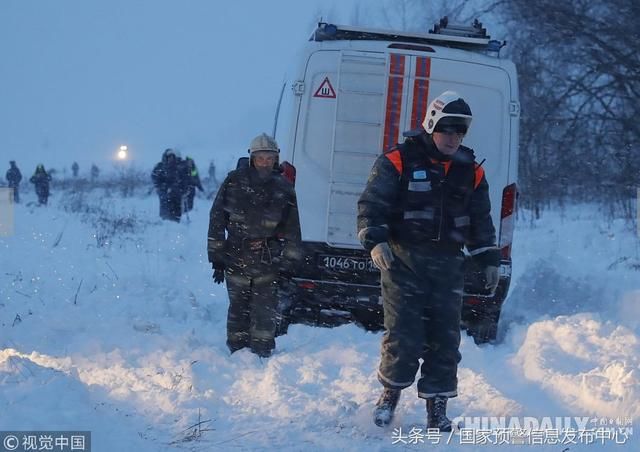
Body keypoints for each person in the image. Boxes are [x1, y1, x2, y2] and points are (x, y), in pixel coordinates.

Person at [357, 91, 500, 431]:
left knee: (445, 340)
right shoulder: (397, 161)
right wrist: (375, 242)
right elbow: (371, 205)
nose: (453, 138)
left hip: (449, 266)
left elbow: (481, 220)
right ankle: (389, 396)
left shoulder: (471, 171)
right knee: (403, 335)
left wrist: (489, 257)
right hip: (402, 262)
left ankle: (438, 412)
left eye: (460, 132)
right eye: (447, 129)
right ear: (432, 125)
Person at [207, 133, 302, 358]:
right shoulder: (234, 181)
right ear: (252, 158)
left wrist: (290, 262)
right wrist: (216, 258)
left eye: (270, 158)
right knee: (238, 307)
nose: (265, 162)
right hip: (235, 255)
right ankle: (237, 350)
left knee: (264, 308)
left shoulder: (283, 187)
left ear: (276, 159)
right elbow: (217, 218)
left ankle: (262, 351)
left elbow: (292, 227)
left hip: (268, 258)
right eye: (261, 158)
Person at [151, 148, 184, 222]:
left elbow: (183, 178)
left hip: (176, 191)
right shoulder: (160, 166)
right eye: (169, 157)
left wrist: (181, 188)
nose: (171, 159)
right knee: (165, 204)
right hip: (164, 190)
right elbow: (154, 176)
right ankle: (165, 218)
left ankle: (176, 219)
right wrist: (161, 186)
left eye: (172, 157)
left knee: (176, 204)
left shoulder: (177, 166)